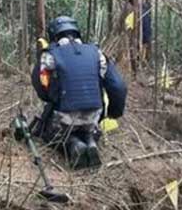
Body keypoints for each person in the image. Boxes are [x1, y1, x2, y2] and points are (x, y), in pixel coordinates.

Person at [31, 16, 126, 169]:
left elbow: (41, 88)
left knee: (48, 132)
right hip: (94, 116)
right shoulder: (97, 53)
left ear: (54, 35)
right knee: (87, 126)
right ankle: (90, 141)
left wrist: (53, 97)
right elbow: (118, 86)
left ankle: (72, 144)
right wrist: (114, 113)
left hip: (63, 117)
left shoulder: (50, 54)